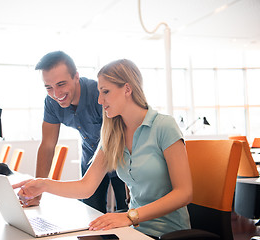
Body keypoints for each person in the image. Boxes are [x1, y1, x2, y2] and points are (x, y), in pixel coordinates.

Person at [13, 59, 193, 238]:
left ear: (127, 89)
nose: (99, 100)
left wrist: (130, 216)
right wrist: (43, 184)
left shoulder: (164, 126)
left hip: (169, 233)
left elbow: (184, 193)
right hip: (133, 231)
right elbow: (86, 186)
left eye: (105, 92)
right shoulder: (113, 134)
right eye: (99, 92)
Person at [30, 51, 128, 213]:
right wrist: (37, 190)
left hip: (120, 157)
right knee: (91, 213)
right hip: (90, 159)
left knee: (124, 212)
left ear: (76, 76)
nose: (56, 94)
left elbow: (119, 133)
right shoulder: (51, 102)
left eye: (61, 84)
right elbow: (47, 146)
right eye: (49, 87)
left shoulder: (99, 94)